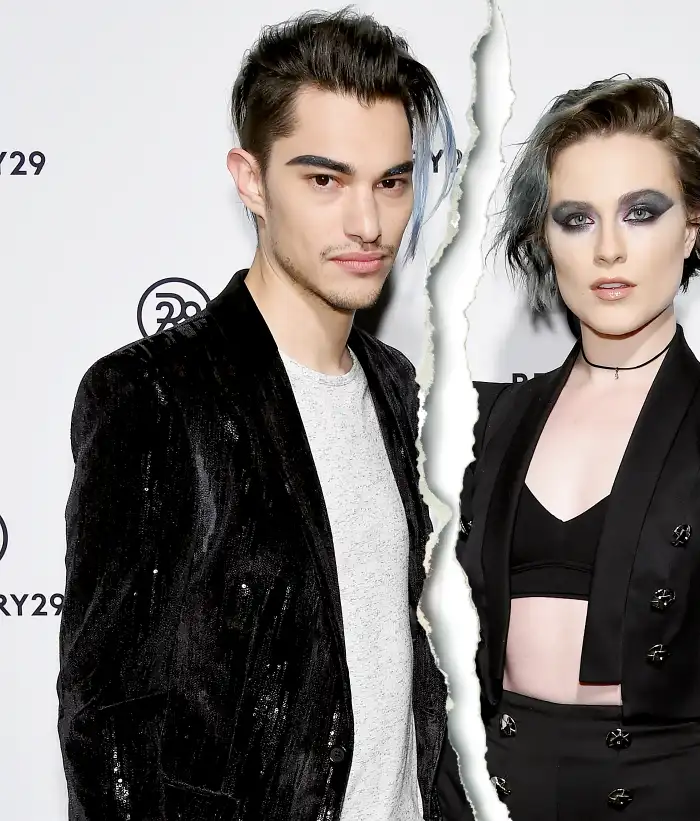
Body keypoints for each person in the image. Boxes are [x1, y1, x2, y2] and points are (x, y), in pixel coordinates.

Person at [58, 10, 460, 821]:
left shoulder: (396, 386)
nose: (368, 223)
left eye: (391, 180)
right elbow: (105, 732)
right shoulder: (157, 396)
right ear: (250, 180)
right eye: (324, 180)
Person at [440, 77, 700, 821]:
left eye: (641, 212)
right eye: (577, 218)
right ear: (543, 239)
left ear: (691, 227)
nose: (610, 249)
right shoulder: (481, 420)